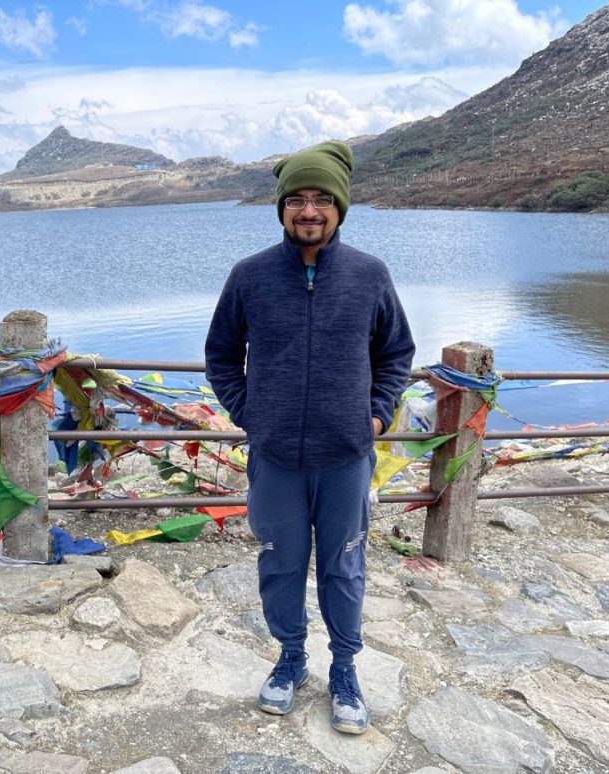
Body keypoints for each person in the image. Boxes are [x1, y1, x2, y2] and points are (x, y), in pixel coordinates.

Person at [204, 141, 415, 734]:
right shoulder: (249, 277)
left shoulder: (370, 275)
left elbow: (396, 354)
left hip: (346, 456)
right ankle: (291, 658)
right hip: (275, 459)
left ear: (341, 207)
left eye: (322, 199)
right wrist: (253, 415)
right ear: (281, 208)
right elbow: (221, 356)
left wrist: (374, 416)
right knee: (280, 563)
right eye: (296, 199)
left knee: (345, 566)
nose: (309, 210)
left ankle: (344, 667)